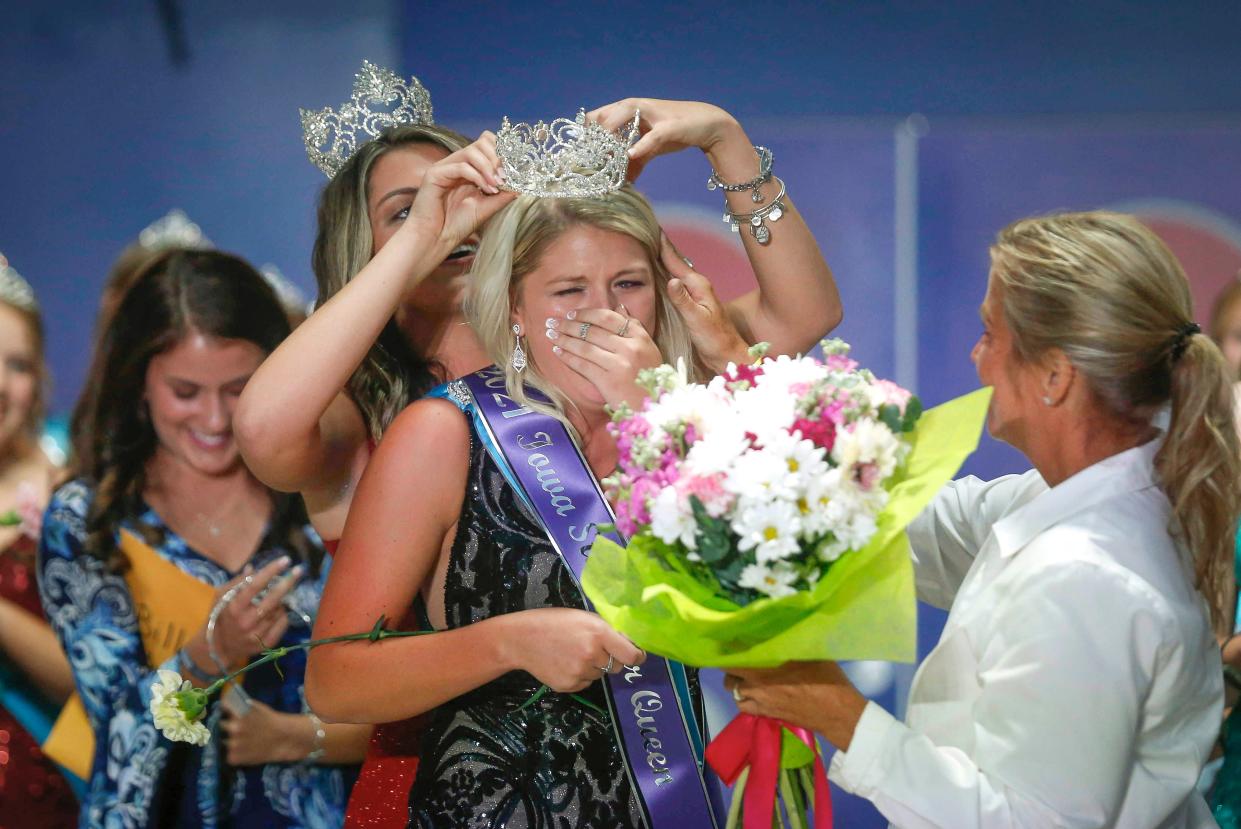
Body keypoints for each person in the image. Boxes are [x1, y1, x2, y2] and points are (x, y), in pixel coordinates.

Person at [236, 64, 842, 825]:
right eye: (410, 207)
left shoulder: (640, 367)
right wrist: (424, 235)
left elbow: (802, 313)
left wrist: (725, 141)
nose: (453, 213)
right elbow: (261, 429)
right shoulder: (381, 410)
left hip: (648, 783)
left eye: (465, 192)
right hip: (445, 774)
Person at [725, 211, 1240, 827]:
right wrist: (739, 392)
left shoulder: (1085, 574)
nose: (977, 357)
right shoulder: (1101, 501)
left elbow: (1034, 821)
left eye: (990, 334)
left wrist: (840, 715)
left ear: (1055, 376)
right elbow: (918, 528)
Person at [39, 249, 371, 828]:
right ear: (139, 381)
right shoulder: (88, 520)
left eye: (239, 388)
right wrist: (204, 658)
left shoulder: (320, 497)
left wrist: (298, 738)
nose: (215, 420)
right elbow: (111, 724)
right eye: (186, 392)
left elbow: (403, 697)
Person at [0, 253, 78, 826]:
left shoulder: (68, 488)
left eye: (19, 365)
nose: (1, 385)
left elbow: (89, 678)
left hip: (34, 780)